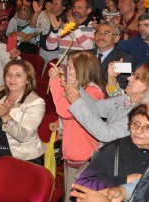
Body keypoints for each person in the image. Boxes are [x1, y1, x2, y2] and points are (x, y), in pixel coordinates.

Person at [49, 51, 107, 201]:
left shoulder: (92, 92)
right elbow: (68, 115)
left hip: (83, 154)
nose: (65, 71)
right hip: (73, 151)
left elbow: (64, 109)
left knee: (75, 196)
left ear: (82, 70)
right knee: (69, 193)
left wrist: (55, 82)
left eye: (69, 67)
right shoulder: (81, 89)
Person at [66, 62, 149, 143]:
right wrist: (78, 89)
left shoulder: (143, 114)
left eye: (136, 77)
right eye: (132, 75)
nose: (129, 78)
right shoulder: (126, 99)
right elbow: (95, 108)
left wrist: (77, 102)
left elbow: (106, 134)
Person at [75, 105, 149, 190]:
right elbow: (82, 184)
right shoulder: (114, 149)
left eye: (148, 128)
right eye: (135, 124)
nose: (138, 131)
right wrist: (123, 180)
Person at [91, 21, 135, 92]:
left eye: (106, 33)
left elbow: (120, 86)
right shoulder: (85, 55)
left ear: (116, 39)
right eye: (98, 33)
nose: (101, 37)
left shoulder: (124, 59)